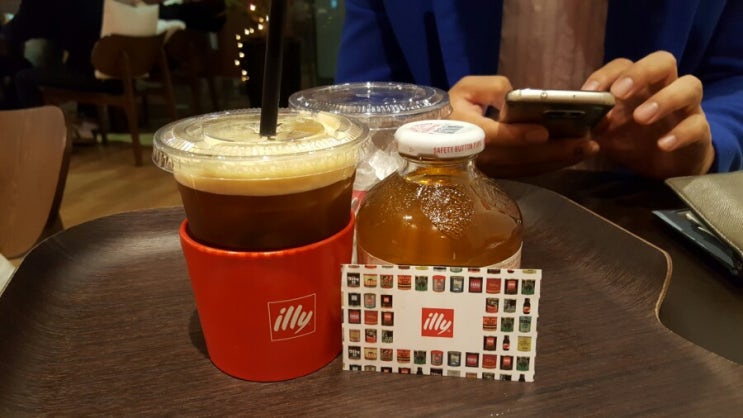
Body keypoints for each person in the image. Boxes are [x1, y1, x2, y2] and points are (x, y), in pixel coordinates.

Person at [334, 0, 743, 179]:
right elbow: (356, 106)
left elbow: (734, 80)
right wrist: (431, 134)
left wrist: (703, 147)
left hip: (656, 236)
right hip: (450, 237)